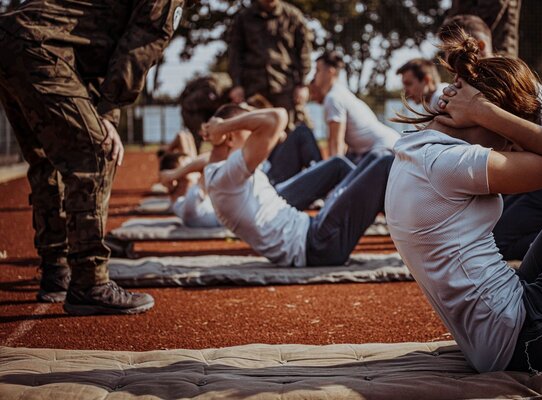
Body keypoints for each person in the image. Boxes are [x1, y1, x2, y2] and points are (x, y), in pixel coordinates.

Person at [385, 29, 542, 373]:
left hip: (499, 338)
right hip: (529, 345)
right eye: (510, 130)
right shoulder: (451, 165)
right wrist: (485, 111)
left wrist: (485, 113)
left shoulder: (416, 150)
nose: (509, 146)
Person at [0, 0, 186, 314]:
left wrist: (103, 108)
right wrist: (108, 114)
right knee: (96, 152)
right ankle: (90, 282)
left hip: (15, 37)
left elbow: (95, 49)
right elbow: (140, 46)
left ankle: (56, 271)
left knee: (47, 159)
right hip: (40, 46)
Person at [438, 14, 542, 260]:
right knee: (486, 229)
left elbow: (506, 145)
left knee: (496, 243)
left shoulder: (506, 80)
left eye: (456, 54)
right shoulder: (486, 80)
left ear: (479, 47)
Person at [202, 104, 393, 267]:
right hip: (317, 245)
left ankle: (400, 225)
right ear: (230, 137)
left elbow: (275, 127)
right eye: (249, 131)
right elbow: (277, 117)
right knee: (385, 164)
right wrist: (222, 127)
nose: (254, 135)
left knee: (375, 157)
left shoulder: (218, 171)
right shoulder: (227, 176)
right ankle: (414, 234)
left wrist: (223, 126)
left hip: (313, 231)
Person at [227, 0, 313, 131]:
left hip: (285, 88)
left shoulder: (293, 16)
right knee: (254, 134)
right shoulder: (244, 18)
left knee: (289, 134)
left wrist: (302, 85)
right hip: (253, 88)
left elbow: (304, 53)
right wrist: (237, 85)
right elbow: (235, 54)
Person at [312, 51, 400, 163]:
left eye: (318, 70)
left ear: (330, 72)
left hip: (384, 151)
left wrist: (332, 173)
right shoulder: (341, 92)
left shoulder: (333, 98)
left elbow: (336, 143)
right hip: (386, 147)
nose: (314, 75)